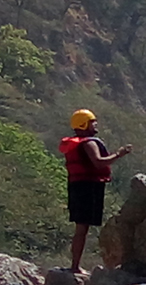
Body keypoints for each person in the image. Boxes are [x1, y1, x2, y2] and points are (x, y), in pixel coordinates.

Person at [58, 109, 132, 273]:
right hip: (87, 187)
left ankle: (75, 265)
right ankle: (75, 267)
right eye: (92, 122)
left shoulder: (78, 143)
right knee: (82, 228)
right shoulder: (89, 143)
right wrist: (119, 154)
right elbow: (99, 163)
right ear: (83, 124)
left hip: (78, 186)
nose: (95, 124)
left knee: (81, 227)